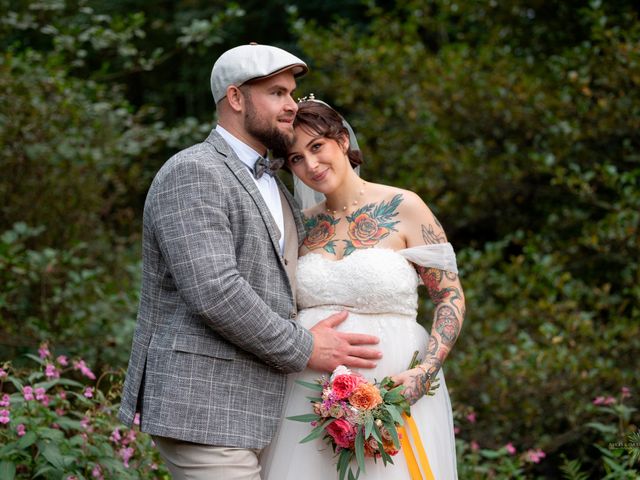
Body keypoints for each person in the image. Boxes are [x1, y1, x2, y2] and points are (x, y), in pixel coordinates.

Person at [118, 45, 382, 480]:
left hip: (268, 408)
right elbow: (215, 290)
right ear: (236, 98)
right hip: (203, 407)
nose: (291, 106)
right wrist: (306, 347)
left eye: (292, 93)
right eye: (277, 93)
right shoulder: (194, 171)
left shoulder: (276, 185)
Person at [259, 97, 465, 479]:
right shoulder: (296, 225)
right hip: (308, 389)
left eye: (316, 146)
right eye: (296, 159)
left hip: (394, 384)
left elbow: (450, 297)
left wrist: (426, 371)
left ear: (340, 139)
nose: (311, 165)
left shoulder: (405, 206)